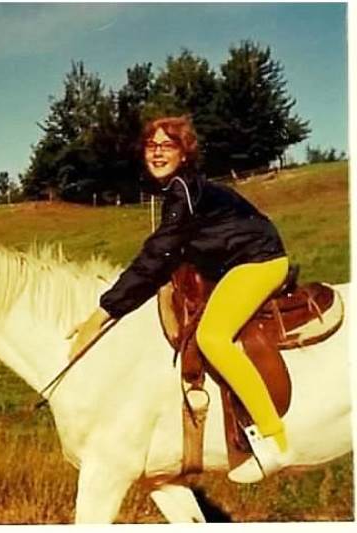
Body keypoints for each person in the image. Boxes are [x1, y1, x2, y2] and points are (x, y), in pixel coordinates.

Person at [67, 115, 292, 483]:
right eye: (151, 146)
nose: (157, 153)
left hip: (259, 262)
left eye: (167, 146)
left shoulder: (183, 190)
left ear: (184, 154)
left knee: (213, 337)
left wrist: (100, 316)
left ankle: (272, 440)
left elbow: (157, 255)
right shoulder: (182, 189)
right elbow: (163, 263)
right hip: (240, 260)